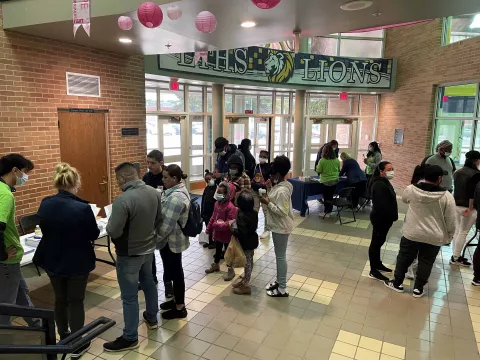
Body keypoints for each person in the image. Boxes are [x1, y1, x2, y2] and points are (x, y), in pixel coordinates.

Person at [33, 163, 99, 357]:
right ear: (75, 182)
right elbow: (93, 234)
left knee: (60, 300)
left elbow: (46, 229)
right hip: (77, 261)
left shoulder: (45, 203)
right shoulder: (82, 207)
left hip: (52, 259)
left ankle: (63, 336)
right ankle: (77, 342)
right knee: (76, 301)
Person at [103, 162, 161, 352]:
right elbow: (158, 220)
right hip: (148, 250)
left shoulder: (123, 200)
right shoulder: (154, 192)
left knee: (129, 297)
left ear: (122, 178)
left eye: (117, 179)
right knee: (149, 283)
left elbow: (113, 230)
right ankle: (152, 317)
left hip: (129, 254)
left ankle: (130, 337)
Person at [384, 165, 456, 297]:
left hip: (412, 233)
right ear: (439, 179)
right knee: (426, 262)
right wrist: (450, 236)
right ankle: (418, 289)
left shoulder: (412, 189)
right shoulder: (446, 196)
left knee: (404, 258)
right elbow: (451, 219)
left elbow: (405, 200)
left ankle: (397, 283)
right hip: (434, 236)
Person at [0, 154, 39, 327]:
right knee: (6, 308)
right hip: (7, 262)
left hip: (11, 263)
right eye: (24, 172)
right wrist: (2, 254)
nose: (25, 177)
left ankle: (41, 331)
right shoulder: (5, 195)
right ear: (14, 170)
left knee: (23, 297)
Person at [156, 165, 191, 320]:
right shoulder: (175, 191)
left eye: (165, 178)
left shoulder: (176, 197)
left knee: (176, 273)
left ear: (175, 179)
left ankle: (180, 308)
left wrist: (153, 241)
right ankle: (175, 300)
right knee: (171, 270)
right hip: (170, 241)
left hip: (172, 241)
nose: (163, 180)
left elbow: (166, 226)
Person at [261, 155, 294, 297]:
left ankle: (282, 288)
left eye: (273, 174)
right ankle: (280, 282)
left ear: (278, 174)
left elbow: (282, 211)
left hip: (281, 227)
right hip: (278, 226)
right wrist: (269, 189)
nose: (271, 176)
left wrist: (267, 202)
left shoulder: (282, 191)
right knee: (279, 256)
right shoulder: (283, 185)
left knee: (280, 257)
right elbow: (274, 198)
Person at [368, 161, 398, 282]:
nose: (392, 171)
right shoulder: (379, 185)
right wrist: (387, 218)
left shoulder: (384, 182)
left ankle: (378, 264)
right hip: (381, 219)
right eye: (389, 169)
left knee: (379, 242)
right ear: (381, 171)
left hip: (385, 219)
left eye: (392, 168)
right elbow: (381, 205)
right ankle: (373, 270)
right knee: (375, 243)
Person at [451, 150, 480, 266]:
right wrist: (470, 207)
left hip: (456, 205)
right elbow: (473, 193)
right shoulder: (476, 174)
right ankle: (456, 258)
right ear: (475, 161)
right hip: (468, 208)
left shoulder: (458, 172)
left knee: (458, 231)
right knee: (463, 232)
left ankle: (455, 255)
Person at [205, 182, 238, 281]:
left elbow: (230, 222)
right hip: (218, 234)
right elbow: (213, 217)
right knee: (218, 250)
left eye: (220, 193)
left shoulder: (230, 207)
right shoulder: (216, 204)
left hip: (227, 234)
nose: (217, 194)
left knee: (228, 253)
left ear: (226, 194)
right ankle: (216, 265)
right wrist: (209, 228)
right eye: (217, 192)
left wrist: (217, 225)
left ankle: (230, 270)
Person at [142, 150, 165, 292]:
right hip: (149, 219)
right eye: (148, 163)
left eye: (152, 163)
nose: (149, 166)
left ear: (161, 163)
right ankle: (151, 278)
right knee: (148, 252)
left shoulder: (168, 177)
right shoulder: (146, 177)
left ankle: (169, 285)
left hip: (164, 219)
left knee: (166, 253)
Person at [231, 190, 259, 295]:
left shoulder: (242, 215)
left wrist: (233, 230)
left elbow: (242, 232)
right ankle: (245, 280)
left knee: (247, 263)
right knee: (249, 261)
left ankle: (246, 285)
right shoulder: (254, 213)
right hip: (252, 240)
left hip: (245, 243)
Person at [251, 150, 272, 239]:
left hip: (264, 192)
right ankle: (253, 230)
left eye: (264, 156)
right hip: (255, 190)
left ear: (267, 158)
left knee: (266, 211)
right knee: (254, 210)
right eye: (260, 156)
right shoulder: (256, 166)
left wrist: (264, 185)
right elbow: (253, 179)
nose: (262, 158)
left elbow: (270, 181)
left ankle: (267, 230)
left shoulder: (269, 167)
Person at [316, 144, 341, 216]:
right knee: (331, 196)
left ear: (324, 152)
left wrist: (317, 167)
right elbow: (338, 169)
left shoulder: (322, 160)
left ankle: (326, 212)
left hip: (325, 181)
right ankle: (329, 210)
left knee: (326, 197)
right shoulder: (336, 160)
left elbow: (319, 171)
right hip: (335, 181)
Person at [201, 170, 217, 249]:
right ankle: (209, 241)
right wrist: (202, 213)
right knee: (208, 227)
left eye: (209, 179)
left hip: (213, 212)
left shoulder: (217, 189)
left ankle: (214, 242)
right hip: (206, 212)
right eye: (207, 180)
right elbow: (203, 200)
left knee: (213, 228)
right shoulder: (207, 189)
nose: (208, 181)